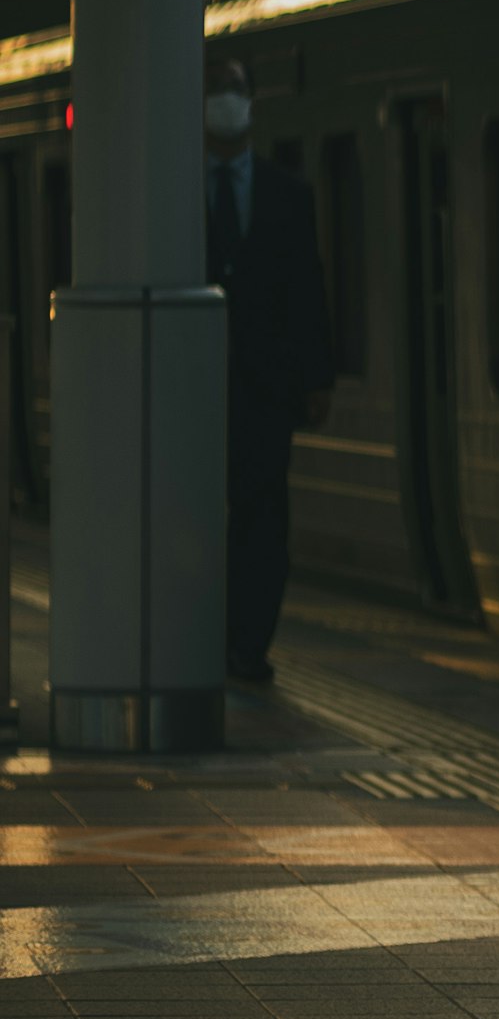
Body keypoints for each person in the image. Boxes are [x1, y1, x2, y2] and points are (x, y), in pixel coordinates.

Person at [204, 60, 335, 683]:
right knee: (202, 520)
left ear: (251, 101)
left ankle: (249, 643)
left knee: (262, 519)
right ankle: (211, 636)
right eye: (215, 90)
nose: (226, 101)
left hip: (265, 392)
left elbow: (309, 288)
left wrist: (316, 378)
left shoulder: (289, 194)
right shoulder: (169, 193)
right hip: (193, 393)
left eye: (234, 89)